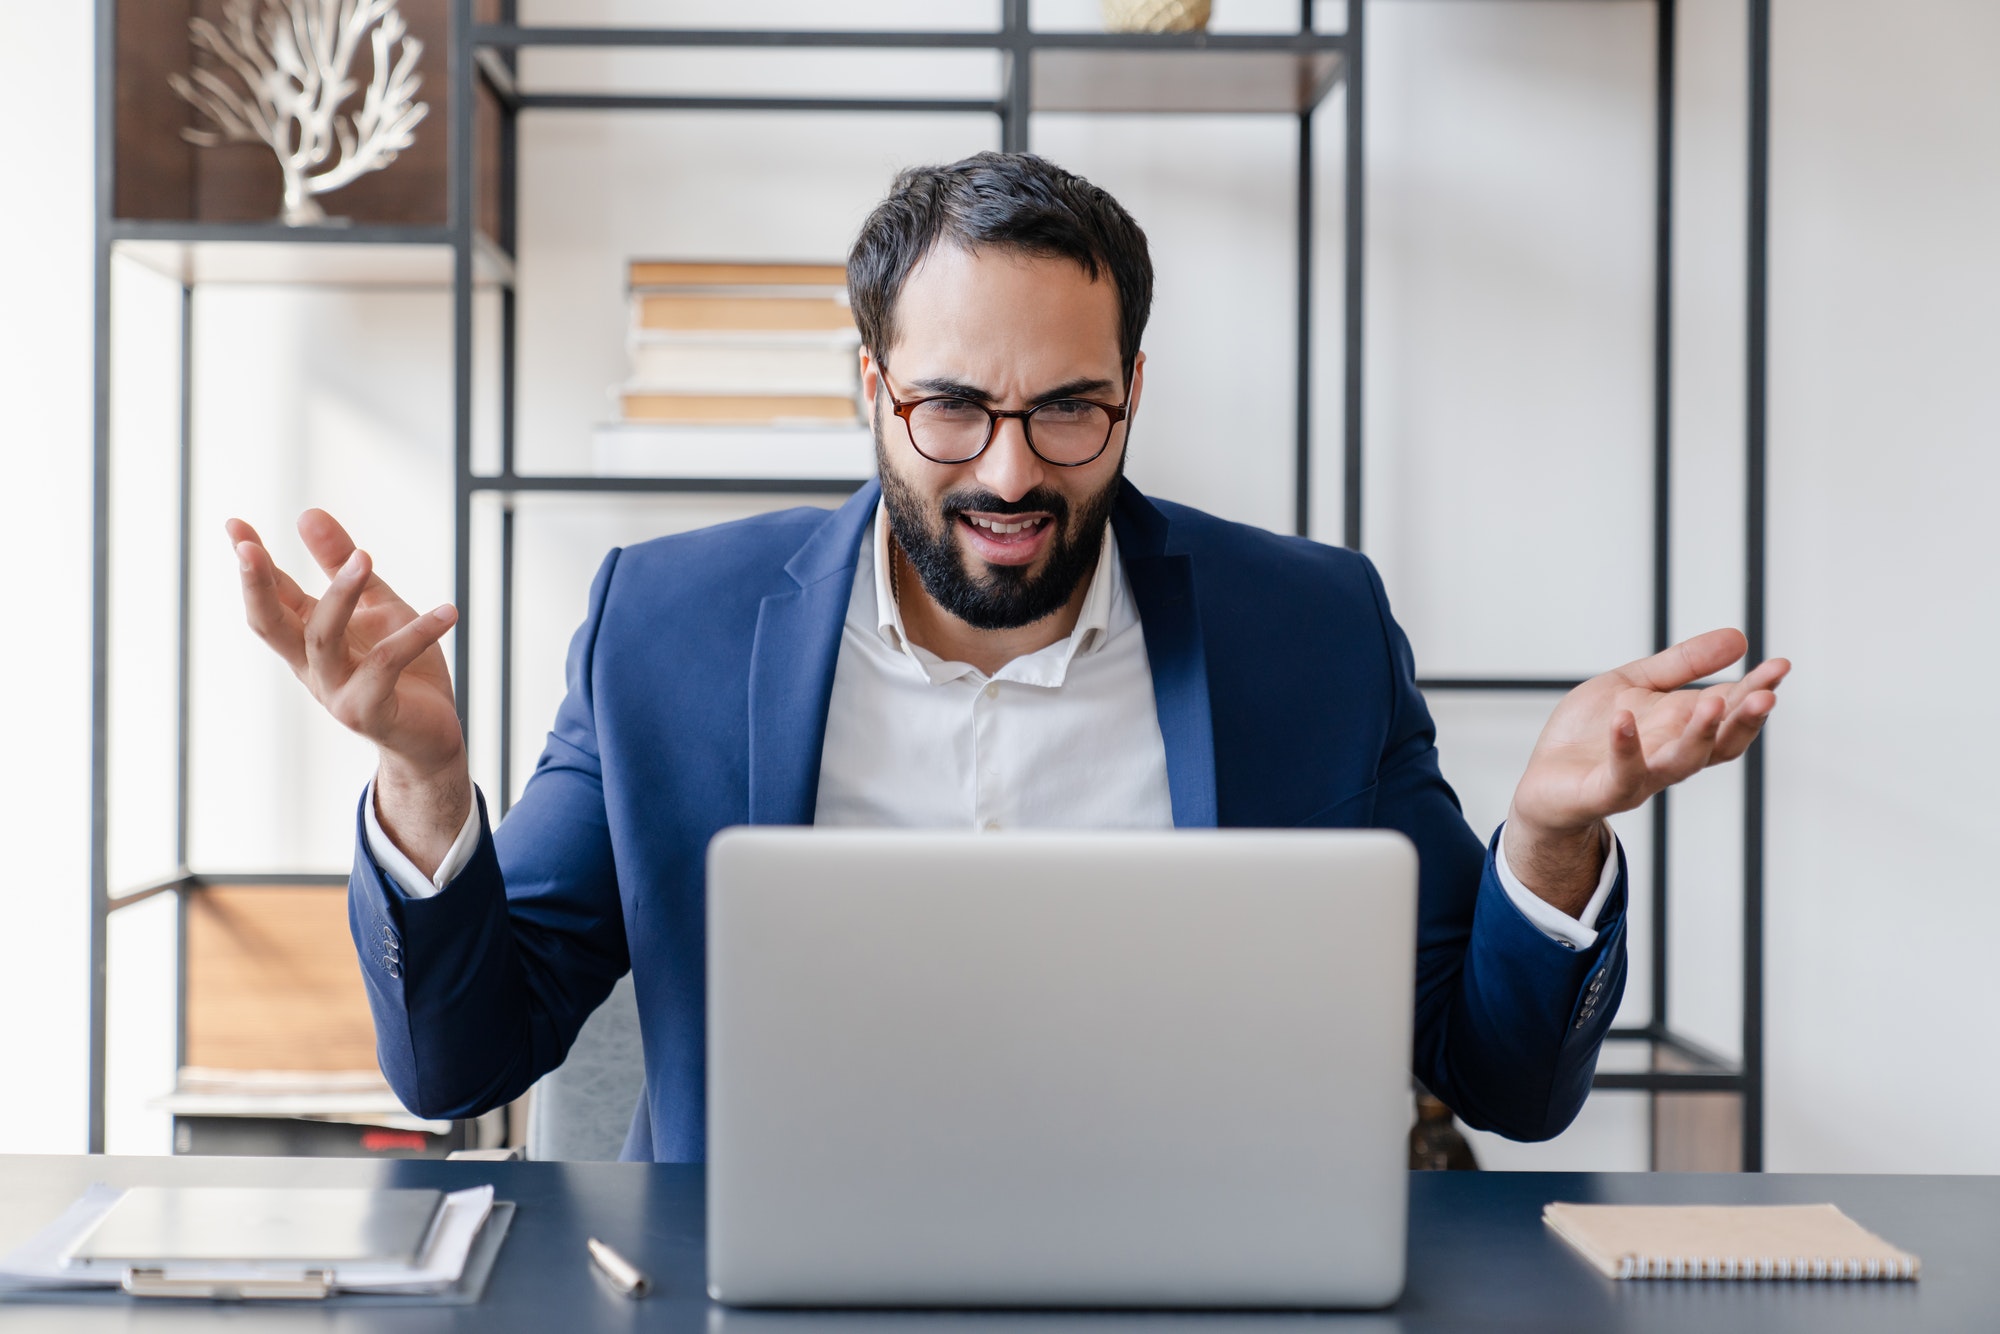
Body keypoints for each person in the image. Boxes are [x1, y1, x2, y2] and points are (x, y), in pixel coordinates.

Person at [226, 153, 1787, 1163]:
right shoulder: (670, 629)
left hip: (1206, 1294)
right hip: (761, 1296)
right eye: (954, 406)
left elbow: (1500, 1076)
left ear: (1132, 392)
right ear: (872, 387)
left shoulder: (1306, 632)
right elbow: (463, 1057)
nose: (1010, 473)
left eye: (1069, 409)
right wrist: (423, 779)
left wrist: (1554, 834)